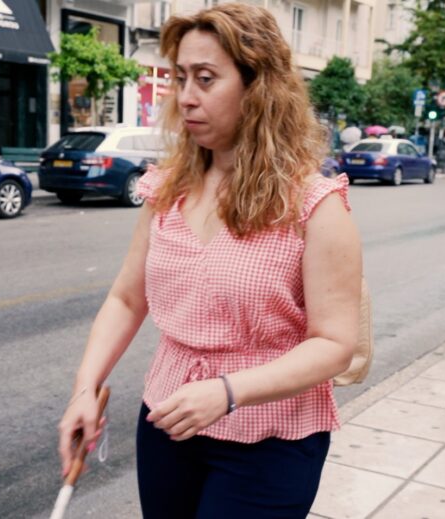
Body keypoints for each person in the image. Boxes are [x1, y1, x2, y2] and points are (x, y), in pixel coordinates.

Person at [57, 4, 361, 518]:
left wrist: (228, 392)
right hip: (169, 424)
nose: (186, 96)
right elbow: (127, 299)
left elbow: (335, 345)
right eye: (181, 78)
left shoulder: (314, 204)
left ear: (258, 87)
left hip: (271, 439)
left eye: (205, 78)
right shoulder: (166, 189)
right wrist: (84, 391)